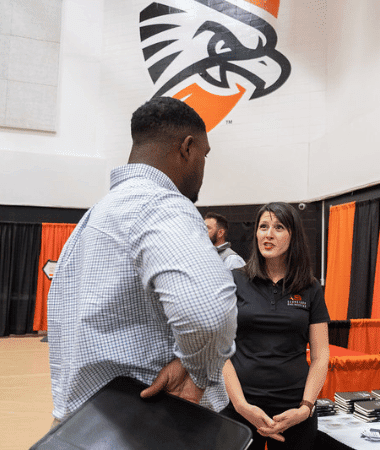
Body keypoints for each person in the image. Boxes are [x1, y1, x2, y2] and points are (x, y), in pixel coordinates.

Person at [47, 97, 238, 424]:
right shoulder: (161, 204)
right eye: (204, 156)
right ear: (187, 149)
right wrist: (196, 371)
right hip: (149, 423)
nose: (203, 169)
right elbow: (210, 313)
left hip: (86, 423)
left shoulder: (97, 215)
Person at [221, 202, 330, 450]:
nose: (268, 234)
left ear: (293, 236)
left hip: (295, 410)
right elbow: (221, 349)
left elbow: (321, 355)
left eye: (278, 227)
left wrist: (306, 408)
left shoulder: (310, 287)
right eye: (263, 227)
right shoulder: (235, 280)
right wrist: (240, 405)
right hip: (241, 408)